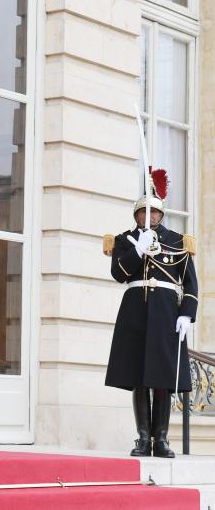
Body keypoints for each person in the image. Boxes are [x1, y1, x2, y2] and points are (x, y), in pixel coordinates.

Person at [104, 168, 198, 458]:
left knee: (162, 379)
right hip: (135, 312)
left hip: (166, 315)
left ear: (161, 215)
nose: (149, 218)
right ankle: (143, 438)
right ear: (137, 216)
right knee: (139, 377)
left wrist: (187, 313)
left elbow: (190, 282)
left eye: (154, 213)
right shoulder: (124, 240)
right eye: (144, 213)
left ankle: (162, 438)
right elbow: (118, 273)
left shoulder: (178, 240)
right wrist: (138, 251)